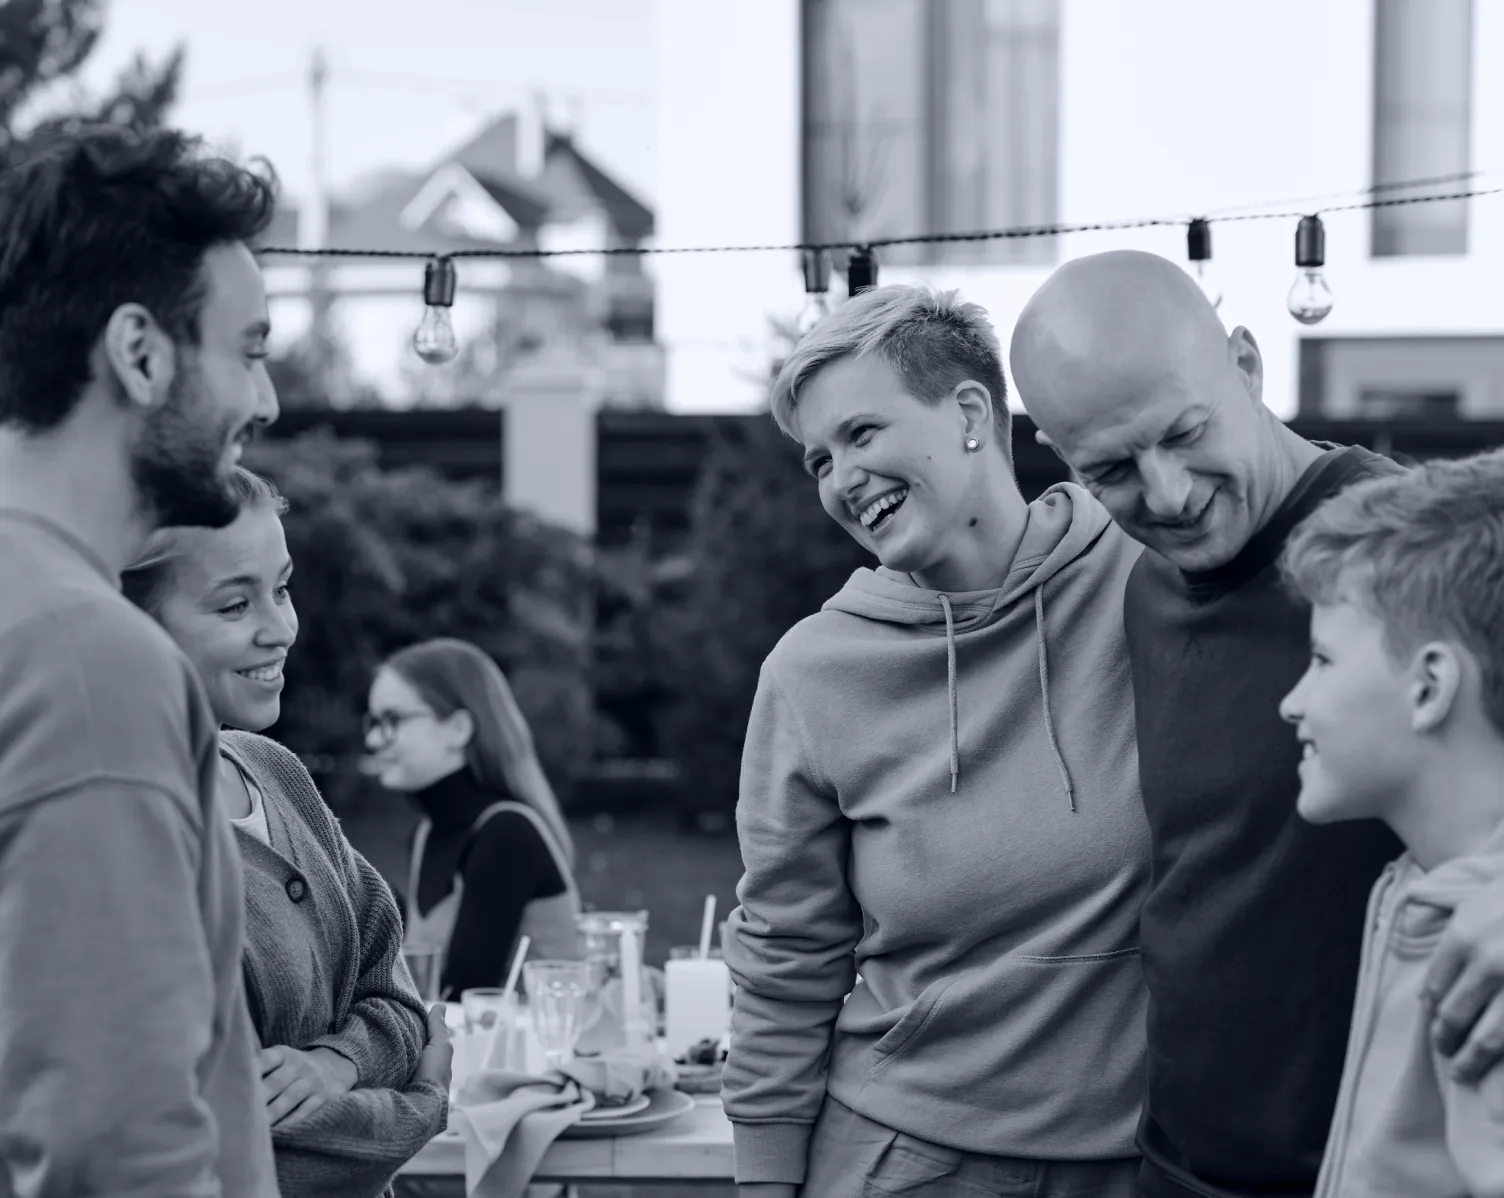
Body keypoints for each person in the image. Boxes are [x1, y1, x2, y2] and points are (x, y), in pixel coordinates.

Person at [1010, 247, 1504, 1198]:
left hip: (1376, 1168)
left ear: (1246, 364)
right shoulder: (1145, 587)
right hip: (1179, 1162)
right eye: (1111, 469)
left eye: (1187, 432)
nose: (1168, 494)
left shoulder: (1401, 547)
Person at [724, 283, 1151, 1198]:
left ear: (969, 412)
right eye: (819, 461)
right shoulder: (813, 674)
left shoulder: (1144, 571)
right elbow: (784, 953)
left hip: (1143, 1156)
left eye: (862, 434)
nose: (840, 479)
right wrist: (765, 1180)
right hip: (903, 1156)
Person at [0, 124, 283, 1195]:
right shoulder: (82, 656)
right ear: (140, 351)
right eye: (248, 350)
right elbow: (112, 1146)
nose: (264, 401)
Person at [121, 467, 453, 1198]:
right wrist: (417, 1107)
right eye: (236, 604)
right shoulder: (125, 833)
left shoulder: (276, 775)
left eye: (283, 587)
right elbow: (236, 1139)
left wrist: (337, 1062)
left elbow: (399, 1003)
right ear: (134, 629)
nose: (282, 628)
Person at [1276, 449, 1504, 1196]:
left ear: (1429, 685)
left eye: (1322, 660)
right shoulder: (1426, 882)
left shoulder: (1487, 968)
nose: (1292, 701)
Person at [366, 638, 581, 1000]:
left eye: (392, 720)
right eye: (372, 721)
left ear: (458, 729)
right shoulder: (426, 834)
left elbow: (460, 997)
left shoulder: (506, 834)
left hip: (545, 1053)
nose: (374, 739)